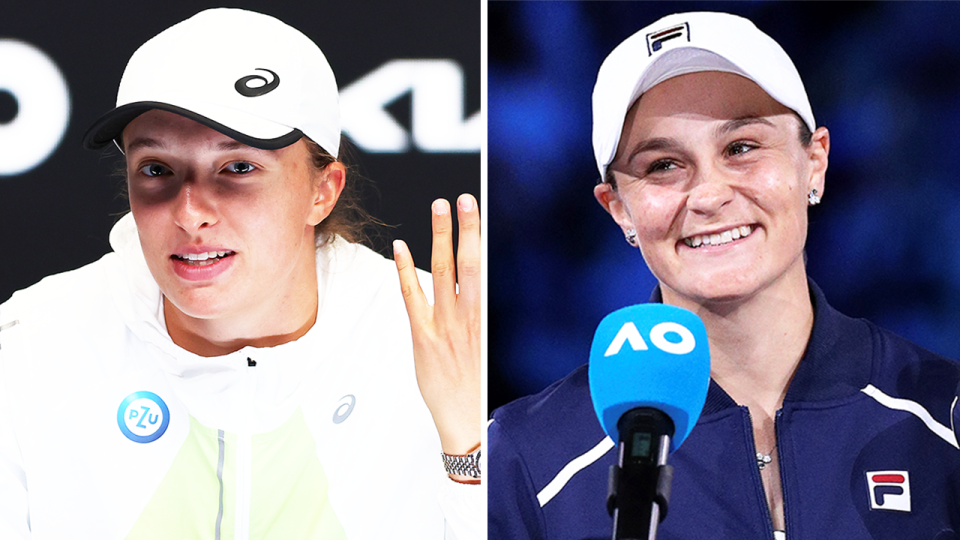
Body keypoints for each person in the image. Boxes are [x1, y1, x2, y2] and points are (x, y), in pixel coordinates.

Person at [0, 8, 480, 539]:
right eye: (157, 169)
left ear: (322, 190)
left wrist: (470, 453)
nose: (189, 213)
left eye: (238, 168)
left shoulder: (442, 337)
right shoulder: (31, 347)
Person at [489, 11, 960, 540]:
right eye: (662, 165)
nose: (710, 195)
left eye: (741, 148)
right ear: (618, 208)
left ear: (816, 163)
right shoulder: (527, 460)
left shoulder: (946, 415)